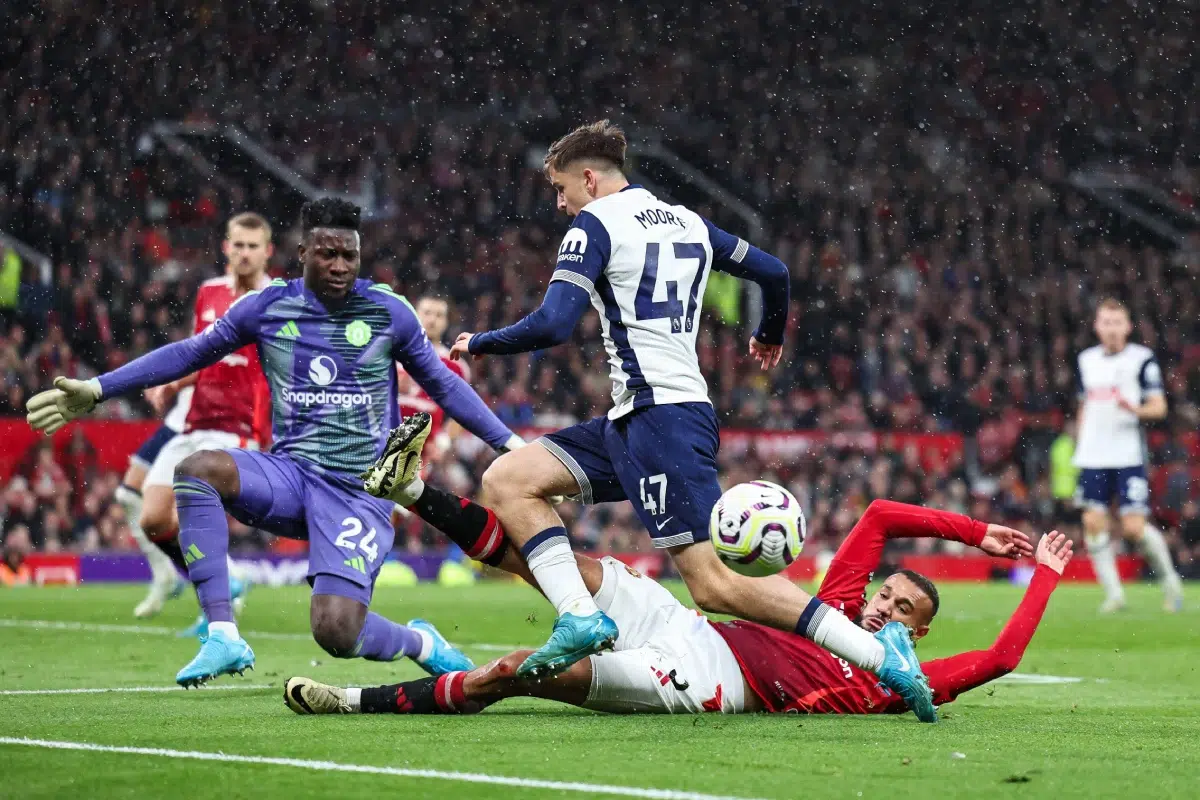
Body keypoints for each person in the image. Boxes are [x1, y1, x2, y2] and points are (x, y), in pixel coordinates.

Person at [444, 120, 934, 719]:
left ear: (590, 178)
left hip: (662, 422)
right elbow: (774, 272)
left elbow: (552, 324)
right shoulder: (688, 221)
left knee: (714, 585)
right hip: (635, 419)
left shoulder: (593, 225)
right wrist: (769, 332)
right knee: (508, 480)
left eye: (562, 188)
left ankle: (881, 656)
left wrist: (480, 342)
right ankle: (578, 616)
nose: (560, 202)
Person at [25, 198, 525, 687]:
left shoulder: (388, 312)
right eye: (327, 253)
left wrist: (508, 444)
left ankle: (422, 644)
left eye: (348, 255)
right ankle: (223, 632)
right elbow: (190, 353)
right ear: (303, 252)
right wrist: (97, 389)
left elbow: (444, 384)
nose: (339, 265)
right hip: (291, 474)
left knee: (337, 631)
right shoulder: (268, 307)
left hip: (361, 491)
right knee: (198, 469)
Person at [284, 499, 1060, 719]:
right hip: (690, 624)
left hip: (704, 682)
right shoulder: (834, 604)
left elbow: (1001, 659)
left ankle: (353, 700)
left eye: (900, 608)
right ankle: (413, 488)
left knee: (518, 672)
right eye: (886, 591)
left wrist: (1048, 575)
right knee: (559, 563)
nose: (882, 604)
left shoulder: (901, 680)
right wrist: (976, 532)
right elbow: (884, 516)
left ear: (918, 632)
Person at [127, 212, 276, 627]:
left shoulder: (277, 302)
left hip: (238, 430)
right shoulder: (208, 292)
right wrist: (172, 385)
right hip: (193, 422)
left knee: (198, 514)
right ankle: (223, 582)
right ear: (226, 247)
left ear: (268, 251)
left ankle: (218, 617)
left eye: (253, 246)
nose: (245, 253)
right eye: (238, 245)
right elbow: (198, 354)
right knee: (153, 519)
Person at [1073, 298, 1183, 612]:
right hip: (1092, 455)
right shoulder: (1086, 360)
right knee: (1093, 522)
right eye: (1105, 322)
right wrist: (1081, 443)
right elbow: (1084, 405)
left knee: (1133, 527)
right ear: (1097, 326)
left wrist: (1135, 409)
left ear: (1128, 326)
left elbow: (1159, 407)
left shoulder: (1142, 359)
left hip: (1126, 454)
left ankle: (1170, 582)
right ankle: (1114, 595)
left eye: (1117, 322)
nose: (1111, 329)